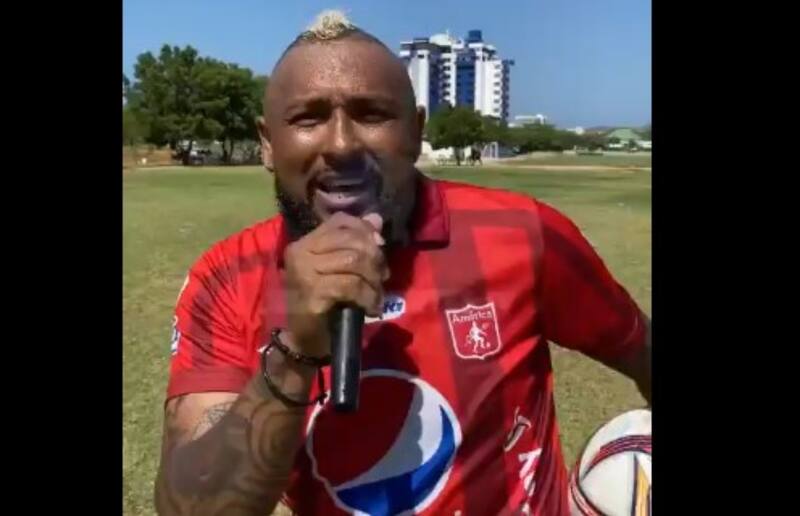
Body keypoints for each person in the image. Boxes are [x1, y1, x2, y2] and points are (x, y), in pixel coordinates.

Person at [154, 11, 650, 516]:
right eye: (308, 118)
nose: (342, 143)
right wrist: (295, 353)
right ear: (267, 142)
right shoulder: (225, 277)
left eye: (371, 115)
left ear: (415, 131)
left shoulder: (524, 234)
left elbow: (641, 349)